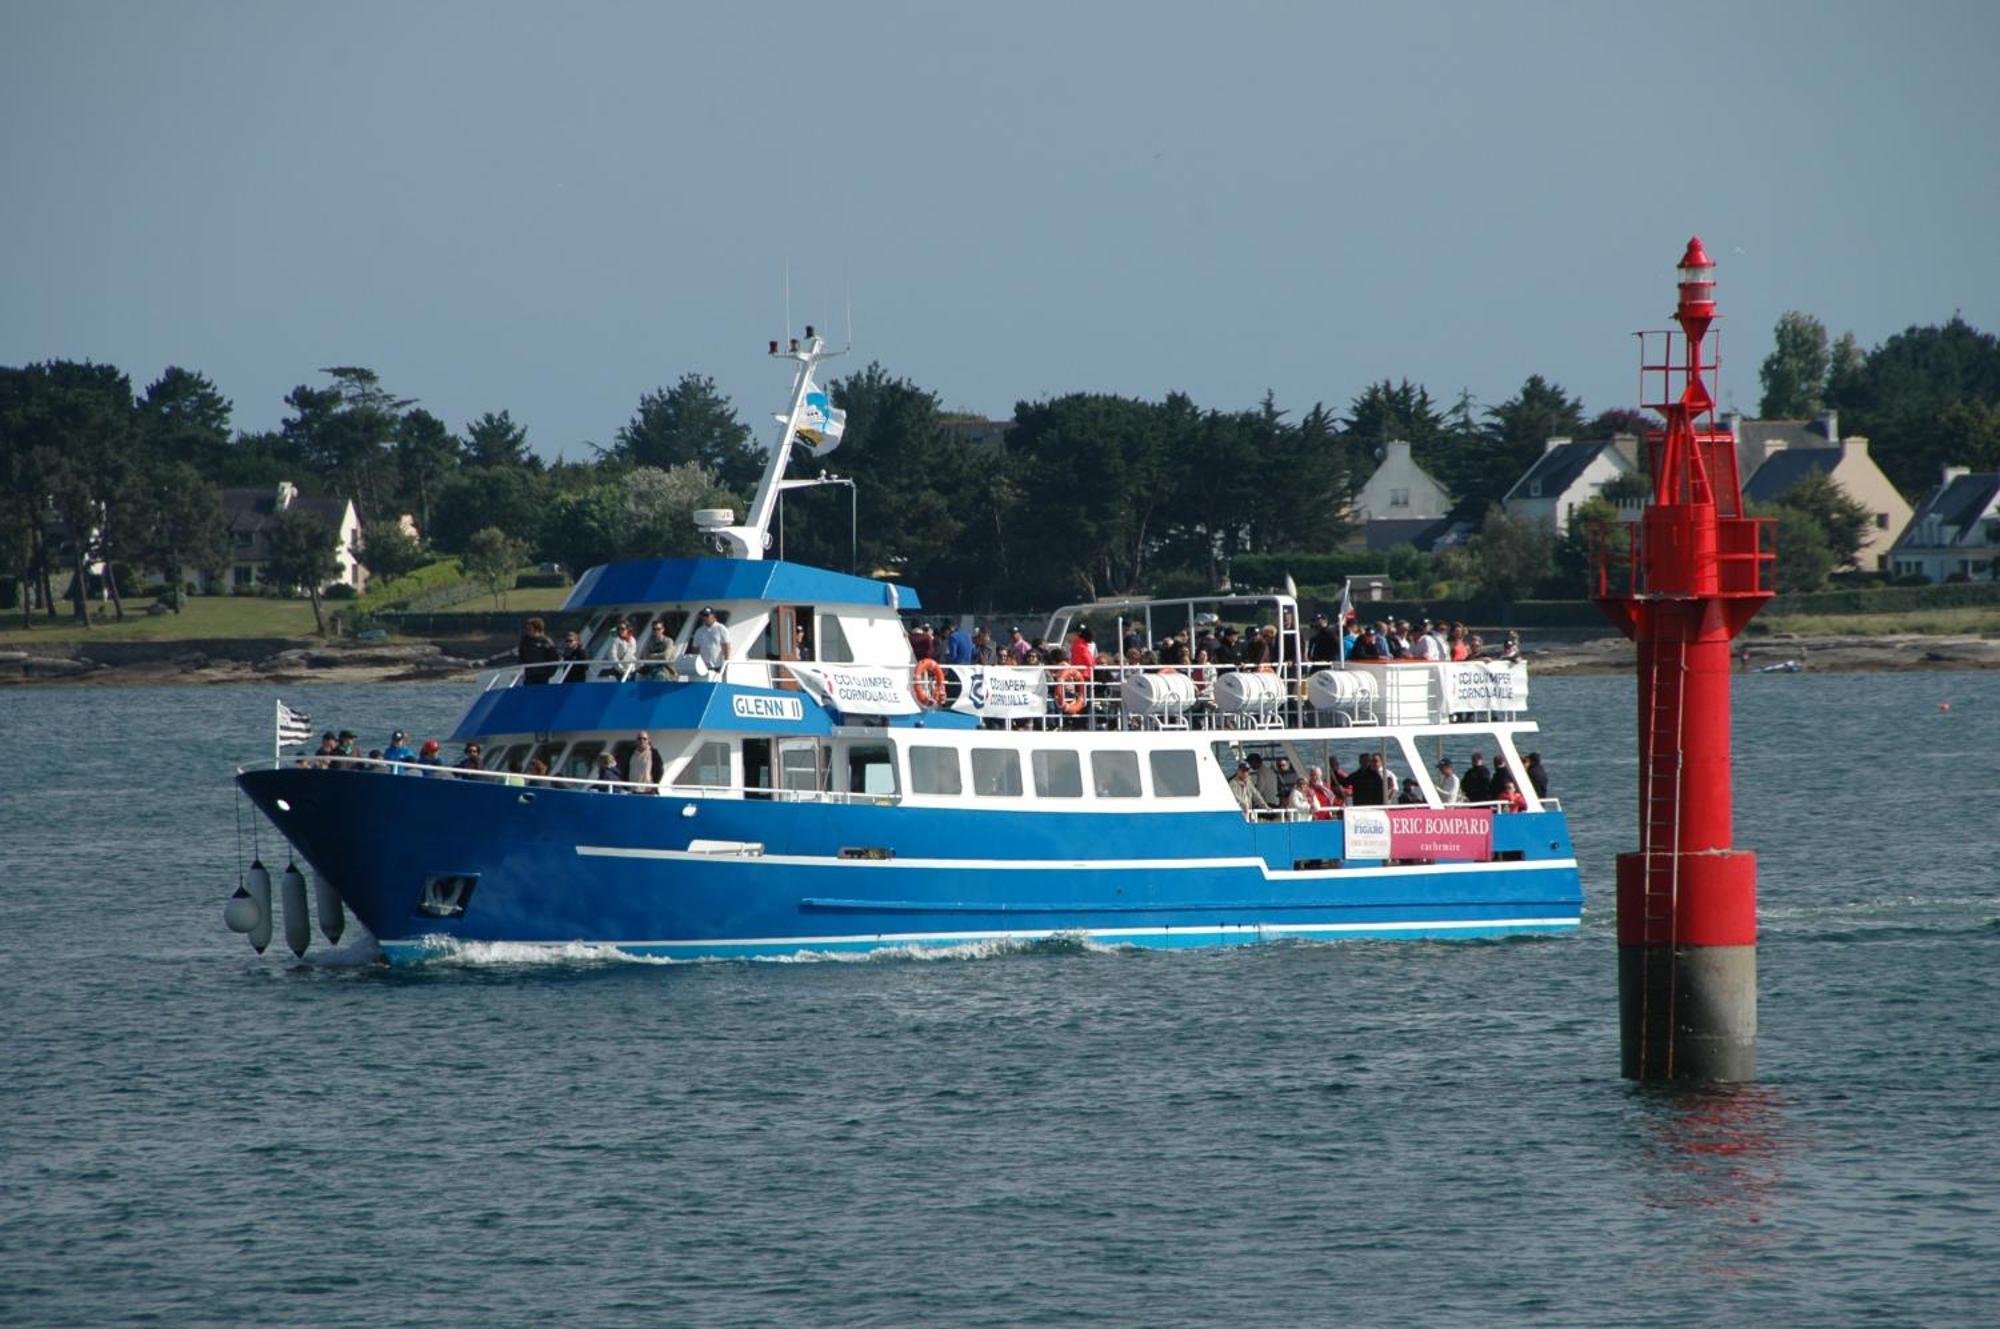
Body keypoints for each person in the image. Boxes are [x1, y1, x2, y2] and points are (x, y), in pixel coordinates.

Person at [518, 617, 560, 684]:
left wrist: (549, 673)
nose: (527, 631)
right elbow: (521, 654)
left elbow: (554, 658)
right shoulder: (525, 641)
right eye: (527, 629)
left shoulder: (546, 642)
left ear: (537, 629)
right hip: (529, 674)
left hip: (542, 675)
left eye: (529, 629)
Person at [692, 607, 731, 673]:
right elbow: (695, 648)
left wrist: (726, 663)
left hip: (718, 666)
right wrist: (697, 662)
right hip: (702, 667)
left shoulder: (721, 629)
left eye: (707, 615)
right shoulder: (699, 631)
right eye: (704, 616)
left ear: (713, 616)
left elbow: (727, 646)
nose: (705, 618)